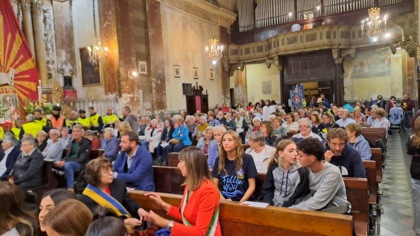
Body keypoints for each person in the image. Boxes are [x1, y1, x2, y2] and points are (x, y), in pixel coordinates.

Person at [139, 147, 222, 235]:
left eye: (181, 162)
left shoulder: (208, 191)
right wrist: (163, 204)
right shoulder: (190, 184)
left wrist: (163, 222)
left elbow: (200, 233)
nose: (178, 165)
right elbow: (185, 216)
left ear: (192, 164)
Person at [80, 157, 143, 227]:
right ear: (95, 175)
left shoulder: (119, 184)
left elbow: (128, 201)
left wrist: (138, 209)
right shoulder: (87, 197)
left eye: (111, 170)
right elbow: (98, 221)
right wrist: (124, 222)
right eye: (106, 172)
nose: (111, 173)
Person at [290, 138, 349, 212]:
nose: (298, 158)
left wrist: (289, 210)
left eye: (301, 156)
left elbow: (316, 202)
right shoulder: (307, 167)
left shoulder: (332, 173)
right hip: (316, 206)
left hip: (334, 209)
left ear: (312, 158)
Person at [212, 130, 258, 202]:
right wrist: (224, 201)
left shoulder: (247, 158)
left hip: (243, 201)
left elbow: (252, 186)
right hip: (224, 200)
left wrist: (240, 203)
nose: (226, 143)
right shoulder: (219, 160)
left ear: (236, 143)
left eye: (230, 140)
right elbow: (214, 184)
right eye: (224, 140)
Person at [262, 139, 309, 207]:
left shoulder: (301, 172)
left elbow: (299, 196)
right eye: (291, 151)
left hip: (292, 208)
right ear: (281, 153)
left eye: (296, 151)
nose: (295, 154)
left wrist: (284, 207)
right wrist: (269, 205)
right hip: (273, 206)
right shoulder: (273, 169)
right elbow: (267, 190)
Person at [54, 124, 92, 191]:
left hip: (81, 165)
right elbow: (67, 156)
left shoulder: (86, 143)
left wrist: (65, 162)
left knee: (68, 165)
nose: (75, 133)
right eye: (73, 131)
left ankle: (70, 188)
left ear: (81, 133)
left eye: (77, 131)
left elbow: (81, 159)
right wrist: (61, 161)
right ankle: (56, 184)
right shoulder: (72, 142)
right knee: (53, 164)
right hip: (69, 162)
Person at [405, 116, 420, 235]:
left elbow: (409, 151)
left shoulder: (414, 140)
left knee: (418, 203)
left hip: (417, 173)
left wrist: (410, 139)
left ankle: (418, 230)